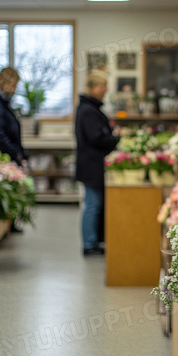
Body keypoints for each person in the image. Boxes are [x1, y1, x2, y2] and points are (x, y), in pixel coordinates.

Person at [75, 70, 119, 257]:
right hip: (91, 165)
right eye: (102, 86)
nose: (105, 89)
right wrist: (114, 138)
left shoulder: (90, 108)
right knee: (93, 204)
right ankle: (89, 244)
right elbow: (96, 138)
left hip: (92, 164)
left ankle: (95, 241)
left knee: (96, 203)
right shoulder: (87, 110)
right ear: (92, 88)